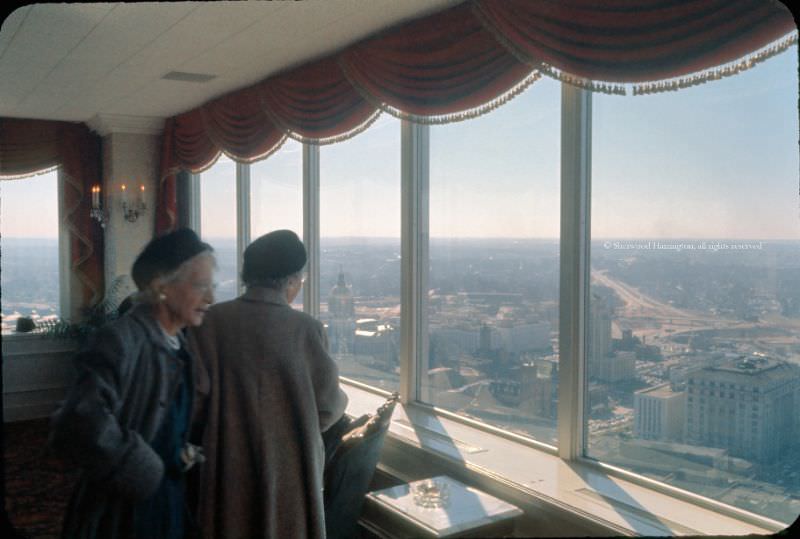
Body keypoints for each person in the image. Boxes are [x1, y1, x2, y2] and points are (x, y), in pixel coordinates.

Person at [49, 228, 215, 539]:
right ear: (161, 287)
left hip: (168, 500)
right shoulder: (120, 339)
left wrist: (178, 452)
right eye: (200, 286)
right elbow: (79, 421)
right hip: (125, 511)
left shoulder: (179, 343)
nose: (211, 298)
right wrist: (144, 468)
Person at [189, 229, 348, 539]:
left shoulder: (209, 322)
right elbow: (328, 408)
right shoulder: (307, 329)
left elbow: (194, 402)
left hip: (225, 464)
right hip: (290, 469)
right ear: (291, 279)